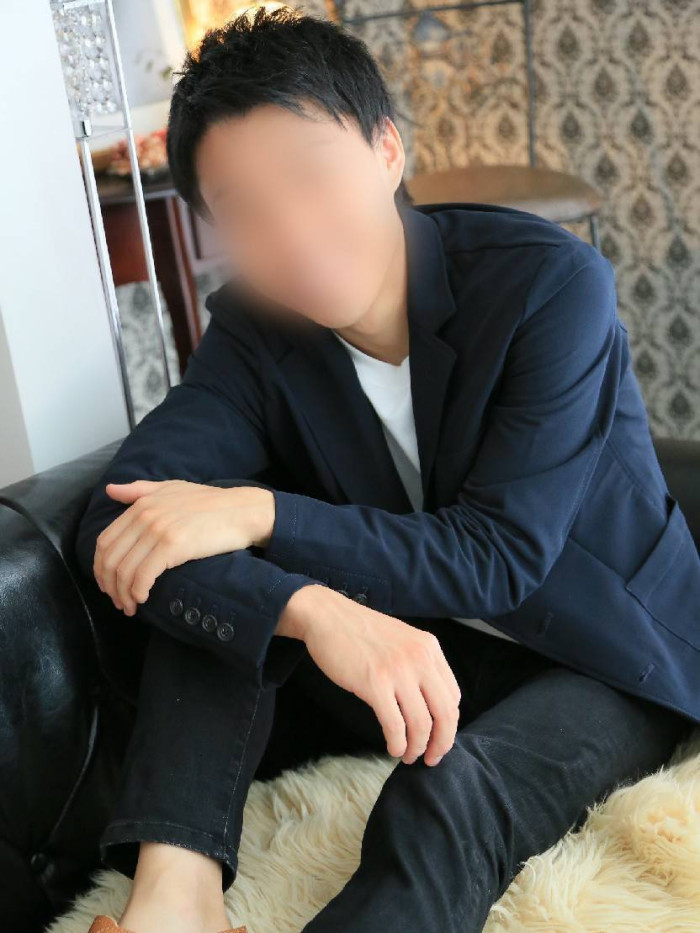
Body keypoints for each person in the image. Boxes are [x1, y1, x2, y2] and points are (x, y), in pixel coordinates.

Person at [74, 8, 700, 933]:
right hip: (400, 648)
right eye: (245, 210)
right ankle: (174, 903)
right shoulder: (254, 331)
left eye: (311, 176)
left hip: (595, 651)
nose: (292, 233)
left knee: (446, 797)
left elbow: (497, 556)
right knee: (214, 592)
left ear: (387, 151)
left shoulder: (549, 286)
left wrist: (258, 513)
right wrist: (311, 608)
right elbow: (117, 518)